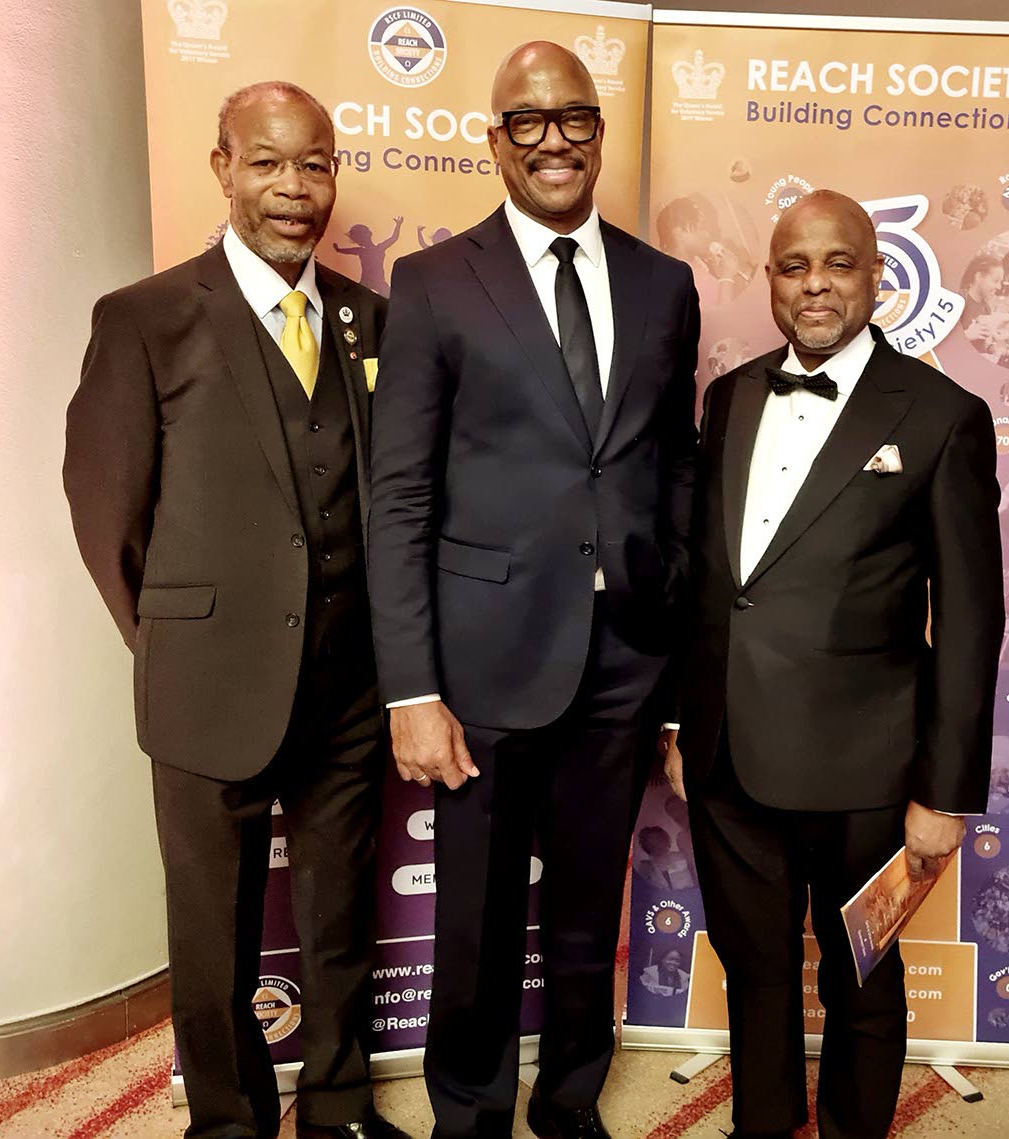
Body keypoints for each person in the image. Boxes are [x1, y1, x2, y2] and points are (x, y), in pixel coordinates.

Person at [367, 41, 699, 1139]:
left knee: (584, 902)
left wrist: (677, 667)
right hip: (481, 654)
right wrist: (410, 685)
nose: (552, 139)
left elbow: (670, 471)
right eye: (526, 120)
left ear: (599, 131)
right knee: (473, 907)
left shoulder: (663, 284)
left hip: (623, 653)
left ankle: (567, 1101)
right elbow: (401, 493)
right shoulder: (431, 283)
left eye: (573, 117)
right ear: (494, 138)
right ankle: (466, 1111)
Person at [63, 82, 405, 1139]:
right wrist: (178, 636)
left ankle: (338, 1105)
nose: (294, 188)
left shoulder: (369, 320)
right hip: (207, 683)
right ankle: (227, 1120)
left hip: (350, 685)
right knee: (213, 933)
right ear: (222, 166)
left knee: (340, 915)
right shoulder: (145, 318)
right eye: (267, 162)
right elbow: (105, 514)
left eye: (313, 163)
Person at [662, 190, 1002, 1139]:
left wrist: (944, 792)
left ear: (876, 274)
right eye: (793, 264)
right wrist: (684, 725)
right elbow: (708, 584)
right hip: (728, 754)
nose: (814, 283)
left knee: (861, 972)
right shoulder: (727, 398)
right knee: (754, 967)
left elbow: (972, 619)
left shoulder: (943, 416)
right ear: (770, 278)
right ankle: (761, 1125)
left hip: (865, 763)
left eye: (837, 262)